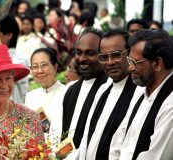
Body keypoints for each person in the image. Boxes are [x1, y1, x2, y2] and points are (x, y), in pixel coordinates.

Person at [78, 29, 144, 160]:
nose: (110, 62)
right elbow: (87, 139)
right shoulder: (103, 90)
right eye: (104, 57)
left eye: (116, 55)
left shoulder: (140, 92)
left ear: (130, 53)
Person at [110, 29, 173, 160]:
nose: (130, 68)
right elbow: (119, 141)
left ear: (157, 63)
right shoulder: (141, 92)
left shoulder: (170, 104)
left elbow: (156, 156)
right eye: (129, 61)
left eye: (135, 62)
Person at [62, 27, 108, 149]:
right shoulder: (71, 90)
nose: (82, 59)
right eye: (78, 52)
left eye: (89, 53)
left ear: (102, 55)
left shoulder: (109, 89)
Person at [25, 47, 67, 148]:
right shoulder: (30, 96)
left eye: (44, 65)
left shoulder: (67, 93)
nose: (39, 71)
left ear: (55, 67)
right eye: (35, 67)